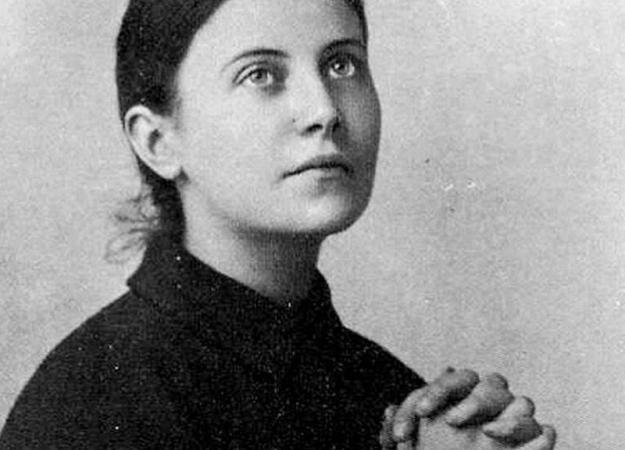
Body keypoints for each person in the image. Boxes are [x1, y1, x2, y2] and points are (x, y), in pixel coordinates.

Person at [0, 0, 556, 448]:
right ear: (159, 141)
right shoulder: (89, 407)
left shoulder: (388, 395)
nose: (325, 110)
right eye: (261, 74)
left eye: (342, 64)